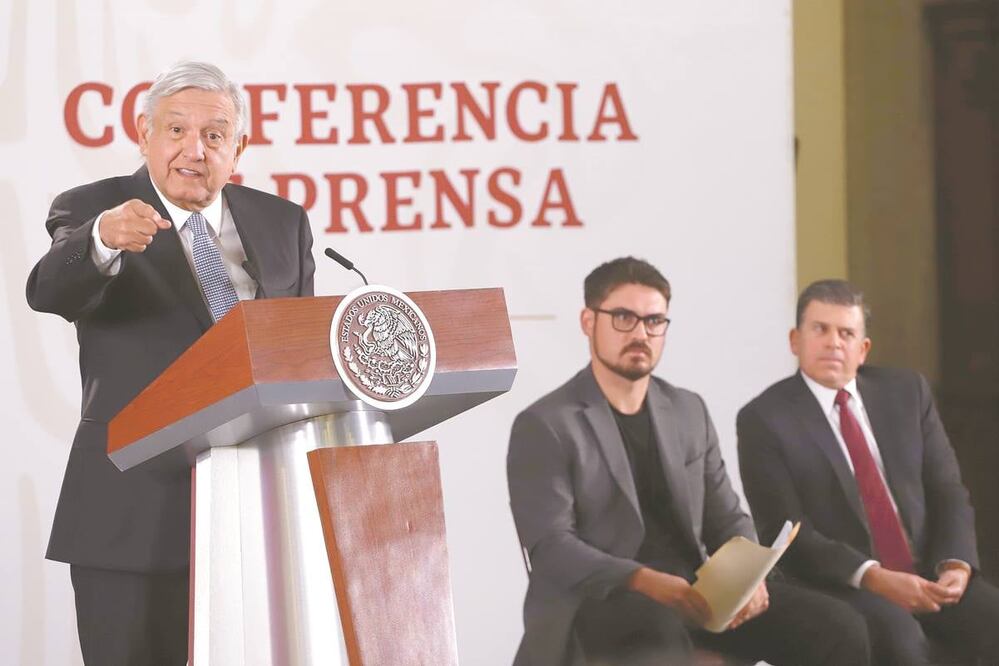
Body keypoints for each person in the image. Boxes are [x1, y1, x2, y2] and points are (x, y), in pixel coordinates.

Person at [26, 61, 316, 666]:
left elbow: (299, 354)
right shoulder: (94, 208)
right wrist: (101, 240)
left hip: (257, 519)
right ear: (145, 134)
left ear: (239, 148)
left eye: (214, 135)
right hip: (132, 516)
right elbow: (48, 291)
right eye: (176, 130)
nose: (194, 149)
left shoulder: (282, 222)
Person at [507, 257, 869, 666]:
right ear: (588, 322)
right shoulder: (547, 424)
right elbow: (552, 548)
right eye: (623, 318)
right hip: (602, 603)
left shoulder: (686, 410)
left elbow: (725, 517)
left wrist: (752, 577)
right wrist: (643, 579)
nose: (641, 333)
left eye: (654, 321)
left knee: (838, 626)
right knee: (657, 635)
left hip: (694, 594)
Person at [737, 279, 999, 665]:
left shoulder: (908, 393)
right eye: (820, 329)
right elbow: (786, 529)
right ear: (795, 340)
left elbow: (947, 489)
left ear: (863, 349)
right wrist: (874, 577)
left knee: (991, 619)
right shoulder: (764, 419)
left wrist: (956, 563)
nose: (833, 343)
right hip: (846, 583)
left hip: (929, 570)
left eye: (846, 333)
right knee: (903, 640)